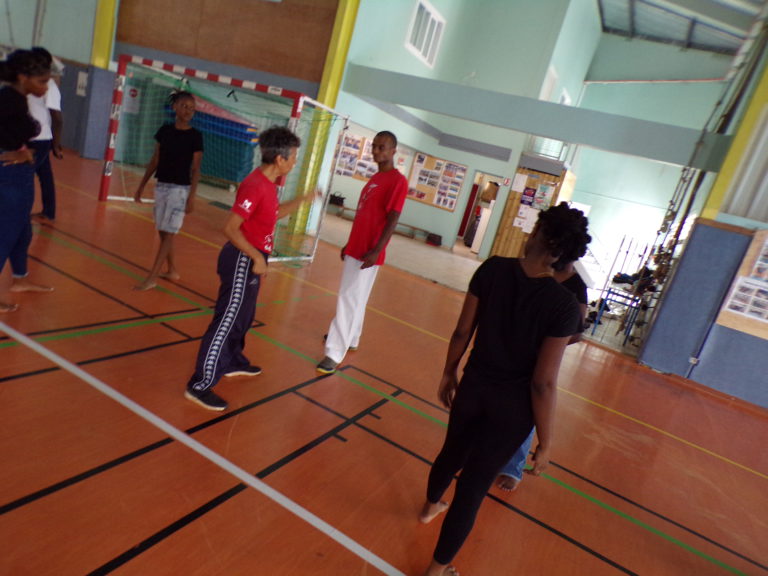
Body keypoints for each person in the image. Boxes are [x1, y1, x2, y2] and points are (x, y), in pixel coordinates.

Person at [419, 203, 591, 576]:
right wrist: (545, 442)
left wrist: (449, 371)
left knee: (451, 453)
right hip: (512, 410)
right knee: (472, 488)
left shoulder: (493, 268)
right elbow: (543, 382)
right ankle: (436, 570)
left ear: (539, 236)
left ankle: (430, 507)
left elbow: (462, 331)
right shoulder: (563, 306)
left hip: (473, 389)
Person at [185, 126, 313, 411]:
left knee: (244, 317)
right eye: (293, 157)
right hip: (242, 259)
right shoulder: (255, 185)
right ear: (279, 159)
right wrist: (256, 257)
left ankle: (232, 361)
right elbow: (230, 228)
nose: (295, 162)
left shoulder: (268, 186)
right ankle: (199, 384)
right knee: (227, 319)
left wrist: (302, 200)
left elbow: (272, 214)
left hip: (253, 258)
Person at [316, 130, 408, 375]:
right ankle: (352, 337)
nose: (376, 151)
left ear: (393, 151)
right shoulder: (376, 177)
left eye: (381, 147)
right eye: (374, 146)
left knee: (348, 297)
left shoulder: (397, 181)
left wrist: (377, 250)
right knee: (356, 298)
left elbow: (393, 218)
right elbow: (364, 215)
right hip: (357, 247)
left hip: (368, 252)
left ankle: (334, 352)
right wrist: (350, 243)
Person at [495, 258, 589, 492]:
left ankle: (513, 467)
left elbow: (577, 331)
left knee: (531, 406)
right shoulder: (537, 272)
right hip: (514, 349)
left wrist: (550, 343)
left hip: (541, 355)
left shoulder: (576, 286)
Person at [0, 49, 53, 313]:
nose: (46, 87)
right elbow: (28, 129)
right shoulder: (9, 99)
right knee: (5, 234)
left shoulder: (17, 98)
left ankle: (20, 278)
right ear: (23, 77)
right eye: (42, 81)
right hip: (9, 175)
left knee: (22, 230)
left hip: (18, 173)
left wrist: (23, 148)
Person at [133, 90, 203, 290]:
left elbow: (196, 169)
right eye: (184, 106)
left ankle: (152, 277)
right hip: (162, 186)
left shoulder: (195, 136)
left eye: (191, 108)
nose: (188, 111)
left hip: (180, 190)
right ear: (175, 107)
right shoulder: (165, 131)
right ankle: (172, 270)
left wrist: (191, 197)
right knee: (163, 230)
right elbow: (155, 159)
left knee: (169, 233)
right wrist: (141, 185)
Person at [28, 46, 63, 221]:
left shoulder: (49, 86)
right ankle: (49, 211)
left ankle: (21, 211)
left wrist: (55, 145)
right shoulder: (29, 81)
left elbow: (57, 118)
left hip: (40, 139)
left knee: (25, 175)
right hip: (29, 137)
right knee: (45, 175)